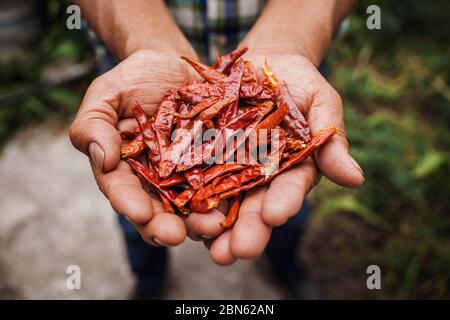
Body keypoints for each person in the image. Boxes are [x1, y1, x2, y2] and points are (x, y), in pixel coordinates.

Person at [69, 0, 364, 299]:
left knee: (287, 213)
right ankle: (148, 281)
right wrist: (145, 41)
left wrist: (291, 41)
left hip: (298, 39)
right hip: (128, 51)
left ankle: (285, 265)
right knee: (139, 212)